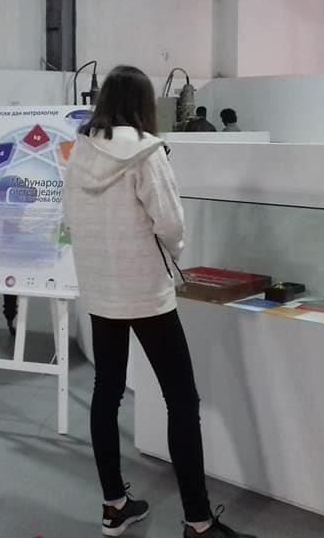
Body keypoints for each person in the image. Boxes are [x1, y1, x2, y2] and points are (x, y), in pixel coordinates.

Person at [63, 65, 254, 538]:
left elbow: (71, 216)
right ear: (143, 104)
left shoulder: (80, 151)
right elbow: (170, 223)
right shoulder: (147, 153)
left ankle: (114, 506)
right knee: (181, 400)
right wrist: (176, 252)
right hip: (146, 291)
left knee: (106, 392)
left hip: (101, 289)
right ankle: (198, 522)